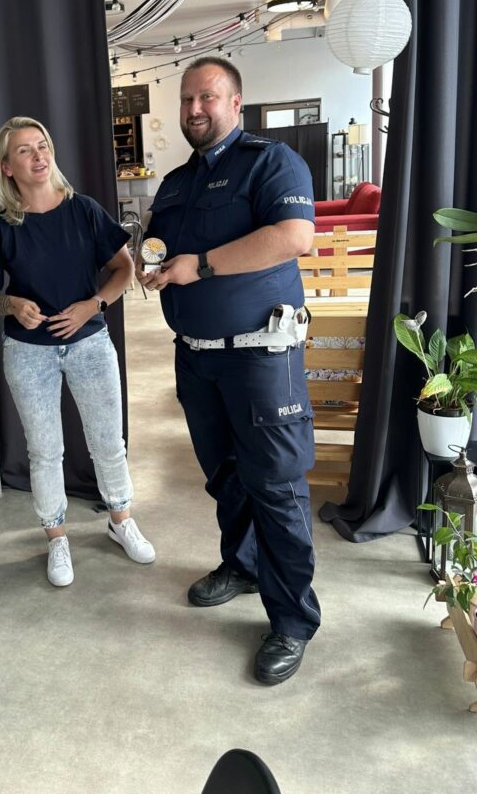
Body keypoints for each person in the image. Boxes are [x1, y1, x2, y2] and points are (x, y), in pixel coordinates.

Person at [137, 56, 319, 685]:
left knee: (276, 486)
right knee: (226, 477)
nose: (194, 109)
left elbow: (294, 236)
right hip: (196, 356)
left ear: (235, 103)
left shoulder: (272, 162)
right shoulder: (173, 184)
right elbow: (163, 252)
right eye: (187, 99)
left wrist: (203, 265)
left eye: (207, 97)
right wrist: (155, 268)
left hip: (261, 355)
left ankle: (292, 620)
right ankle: (241, 567)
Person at [0, 116, 155, 586]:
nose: (38, 156)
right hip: (29, 352)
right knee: (45, 451)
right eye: (25, 150)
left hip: (89, 342)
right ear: (7, 167)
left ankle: (121, 521)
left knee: (108, 441)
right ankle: (56, 538)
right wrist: (9, 304)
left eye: (42, 145)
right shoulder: (2, 227)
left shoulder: (84, 210)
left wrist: (93, 304)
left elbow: (123, 269)